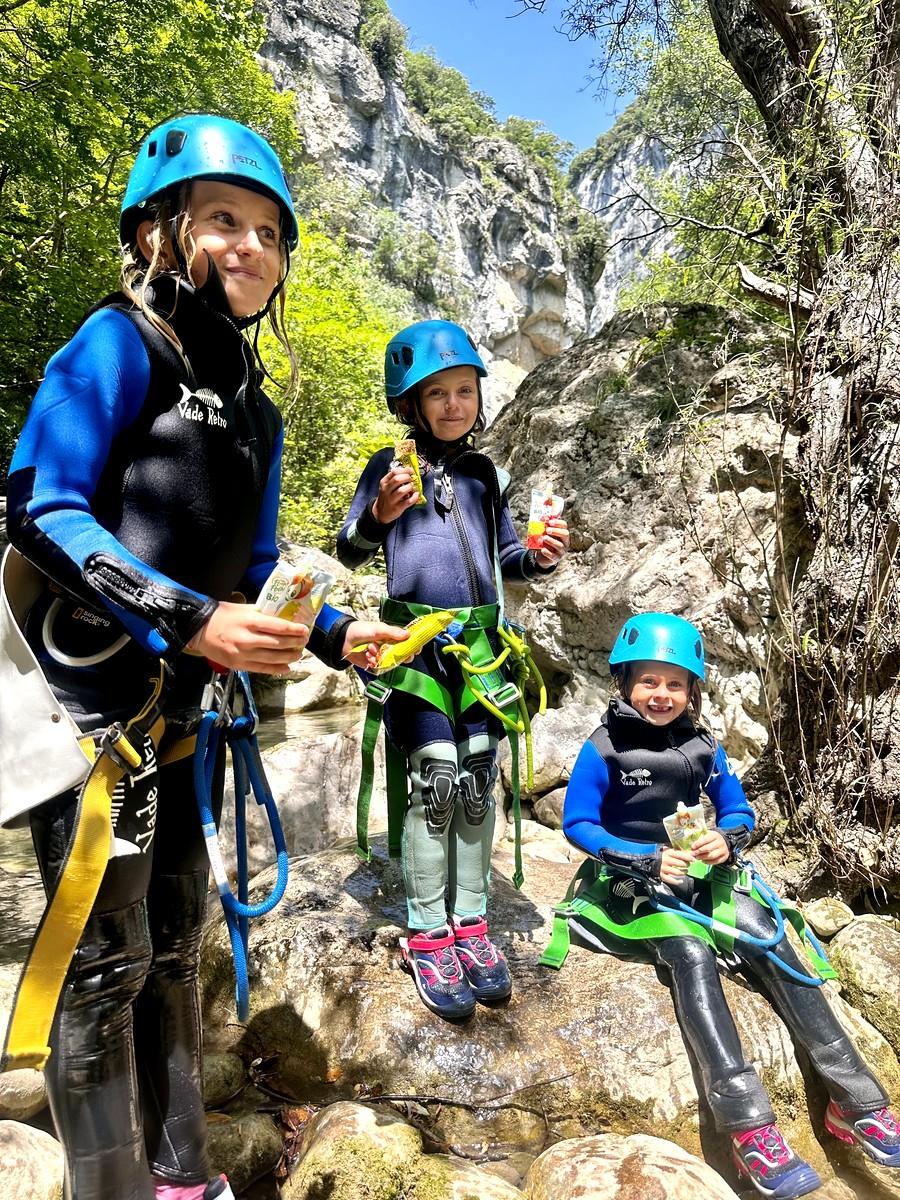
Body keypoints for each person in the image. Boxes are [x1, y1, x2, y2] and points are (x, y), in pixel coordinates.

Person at [1, 113, 406, 1200]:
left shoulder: (254, 411)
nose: (251, 248)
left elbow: (260, 564)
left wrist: (334, 632)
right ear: (155, 233)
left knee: (175, 948)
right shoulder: (115, 347)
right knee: (99, 972)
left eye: (270, 232)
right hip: (88, 720)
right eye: (222, 220)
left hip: (179, 719)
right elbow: (39, 507)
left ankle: (186, 1176)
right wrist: (188, 620)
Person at [560, 612, 900, 1199]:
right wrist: (636, 857)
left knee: (768, 936)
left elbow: (738, 810)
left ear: (693, 690)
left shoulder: (704, 746)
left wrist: (728, 838)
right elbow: (578, 823)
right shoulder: (604, 749)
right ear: (624, 684)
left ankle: (859, 1102)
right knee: (691, 954)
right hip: (631, 885)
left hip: (699, 873)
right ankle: (748, 1126)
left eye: (675, 684)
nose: (661, 694)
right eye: (648, 681)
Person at [336, 320, 569, 1020]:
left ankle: (471, 923)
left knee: (475, 783)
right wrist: (379, 514)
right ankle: (427, 933)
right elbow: (349, 549)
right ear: (408, 403)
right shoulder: (389, 465)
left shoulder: (484, 474)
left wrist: (540, 559)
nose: (453, 404)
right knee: (436, 778)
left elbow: (505, 558)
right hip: (417, 647)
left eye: (464, 390)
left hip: (481, 648)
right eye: (436, 393)